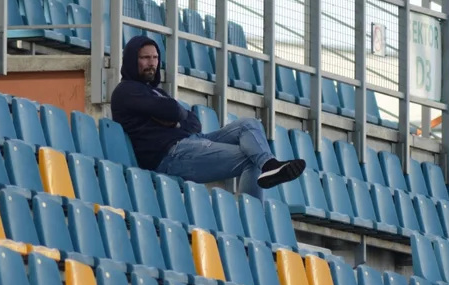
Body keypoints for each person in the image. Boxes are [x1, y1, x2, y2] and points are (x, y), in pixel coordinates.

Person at [111, 35, 305, 199]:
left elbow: (194, 122)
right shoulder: (126, 90)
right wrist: (177, 117)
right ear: (131, 60)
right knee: (250, 158)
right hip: (169, 156)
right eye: (145, 58)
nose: (152, 63)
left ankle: (269, 164)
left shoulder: (156, 93)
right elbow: (173, 111)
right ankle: (251, 223)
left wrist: (175, 118)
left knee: (249, 124)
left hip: (190, 142)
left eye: (154, 58)